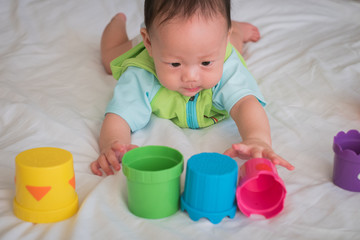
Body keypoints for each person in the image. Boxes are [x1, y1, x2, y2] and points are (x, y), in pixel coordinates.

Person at [91, 0, 294, 176]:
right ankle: (117, 21)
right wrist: (113, 144)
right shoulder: (141, 73)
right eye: (175, 64)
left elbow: (245, 104)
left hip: (212, 39)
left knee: (235, 46)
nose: (191, 77)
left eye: (205, 63)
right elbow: (119, 116)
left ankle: (235, 31)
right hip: (167, 39)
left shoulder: (226, 64)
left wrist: (257, 139)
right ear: (149, 42)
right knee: (110, 61)